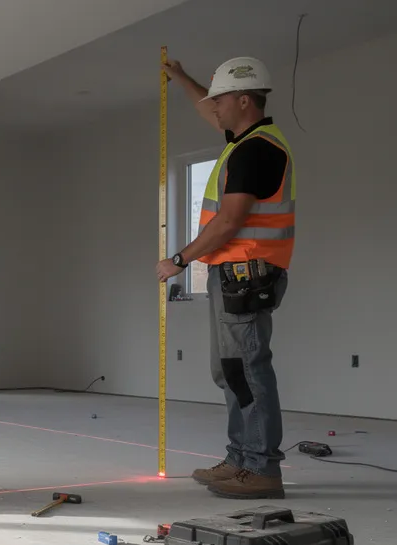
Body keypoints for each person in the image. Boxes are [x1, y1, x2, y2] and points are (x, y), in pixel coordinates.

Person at [158, 56, 296, 500]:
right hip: (235, 273)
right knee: (229, 370)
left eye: (219, 100)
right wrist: (180, 76)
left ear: (242, 99)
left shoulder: (257, 150)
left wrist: (179, 259)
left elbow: (229, 222)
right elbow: (206, 107)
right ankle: (240, 458)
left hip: (248, 271)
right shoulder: (245, 142)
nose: (212, 107)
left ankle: (260, 467)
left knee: (248, 369)